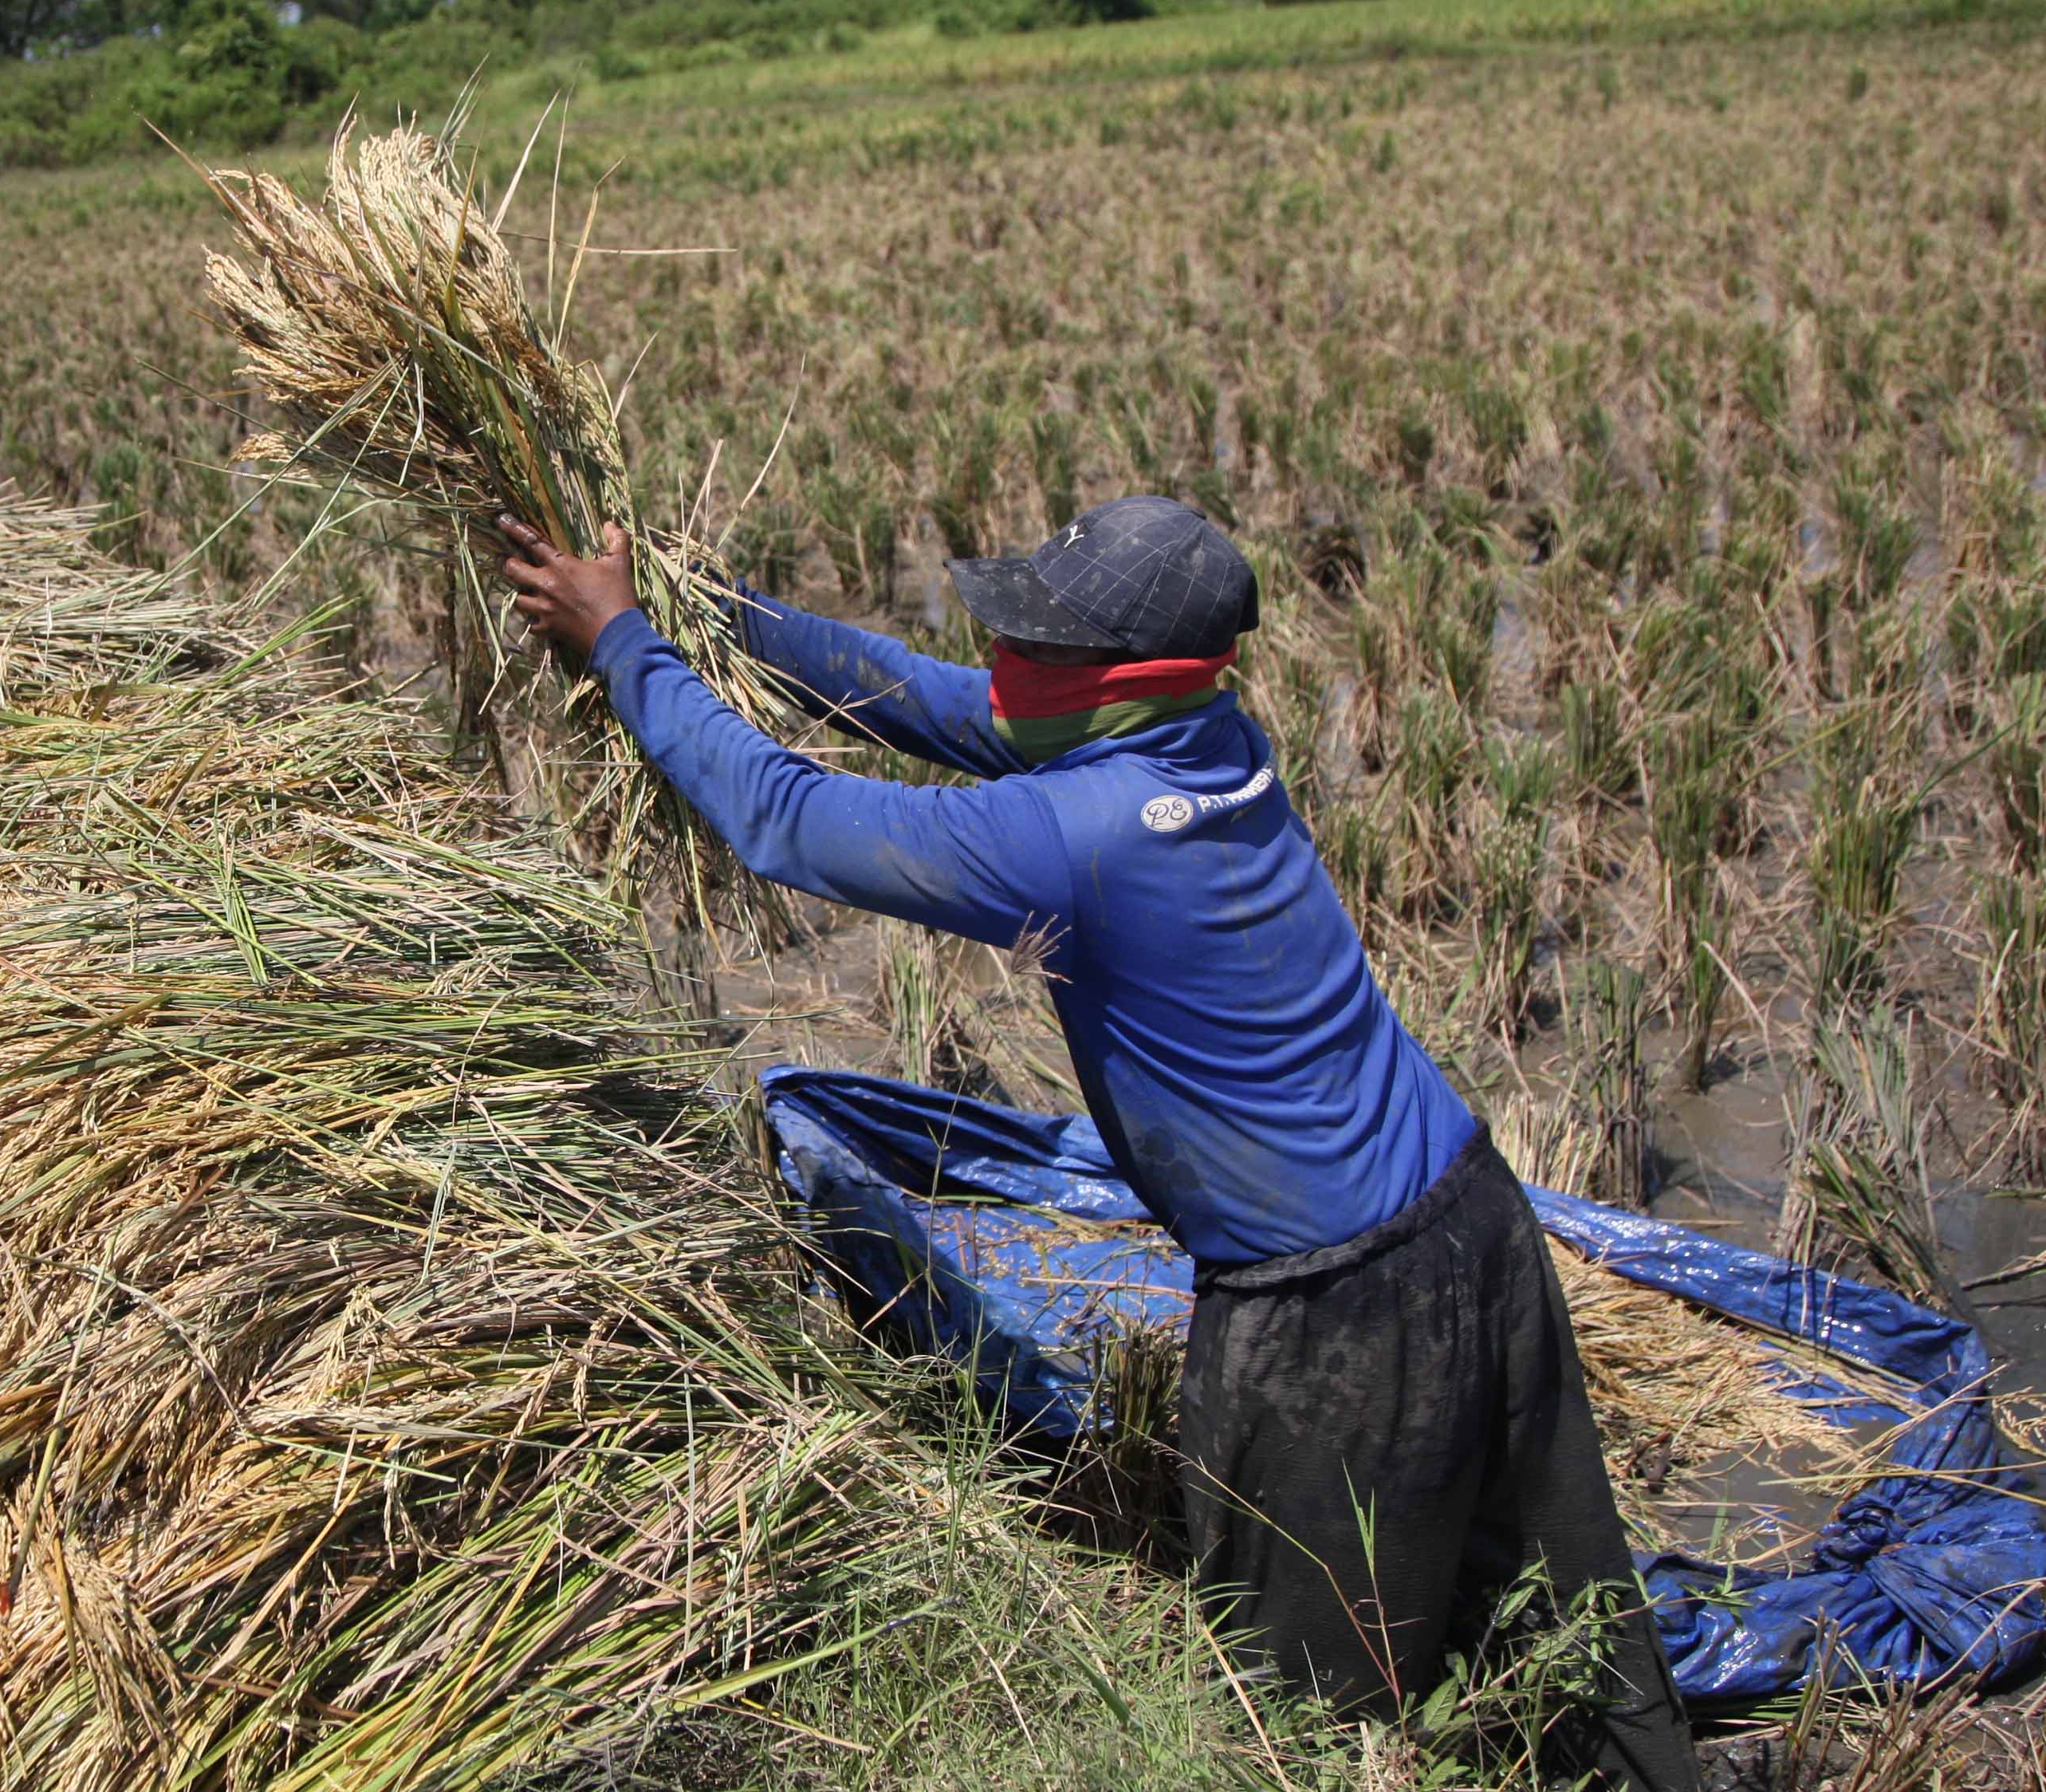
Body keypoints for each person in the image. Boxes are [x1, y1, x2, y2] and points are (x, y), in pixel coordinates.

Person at [497, 495, 1698, 1791]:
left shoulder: (1074, 835)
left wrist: (626, 646)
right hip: (1479, 1224)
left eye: (1032, 638)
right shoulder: (1208, 735)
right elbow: (922, 697)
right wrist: (712, 612)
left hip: (1333, 1317)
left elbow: (782, 816)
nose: (1000, 654)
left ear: (1118, 676)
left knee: (1302, 1714)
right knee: (1568, 1619)